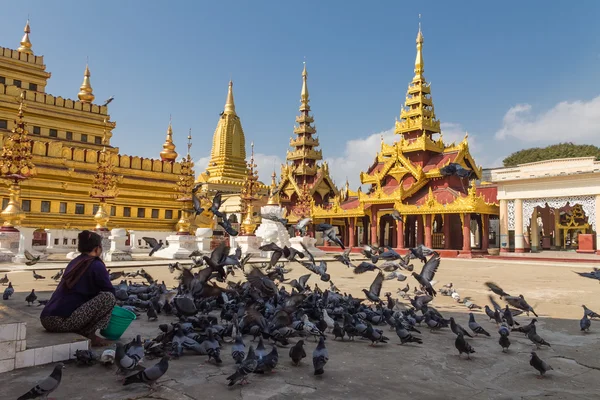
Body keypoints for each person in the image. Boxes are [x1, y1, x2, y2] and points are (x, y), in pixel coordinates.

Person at [41, 230, 116, 346]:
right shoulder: (96, 264)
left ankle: (82, 329)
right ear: (97, 249)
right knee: (109, 298)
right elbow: (109, 291)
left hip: (46, 319)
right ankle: (89, 333)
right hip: (60, 322)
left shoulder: (75, 261)